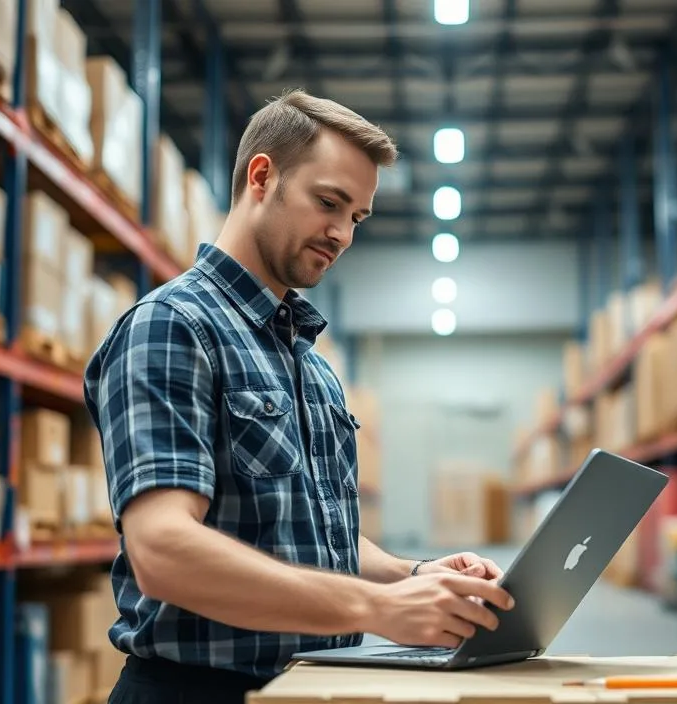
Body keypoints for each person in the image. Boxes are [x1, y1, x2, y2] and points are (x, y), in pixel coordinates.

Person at [85, 89, 515, 704]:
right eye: (328, 203)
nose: (341, 234)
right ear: (262, 176)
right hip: (200, 691)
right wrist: (380, 607)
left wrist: (415, 575)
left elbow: (310, 534)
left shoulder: (308, 363)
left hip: (312, 687)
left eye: (357, 218)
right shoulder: (173, 326)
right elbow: (163, 550)